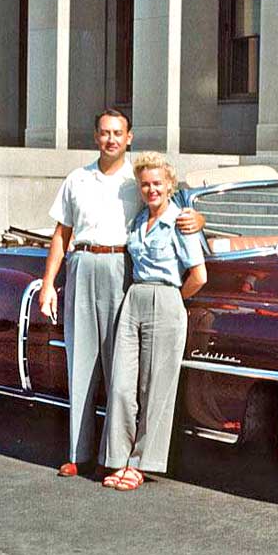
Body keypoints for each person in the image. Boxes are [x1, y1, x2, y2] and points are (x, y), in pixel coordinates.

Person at [39, 109, 203, 479]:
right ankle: (77, 453)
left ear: (129, 137)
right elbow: (61, 234)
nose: (111, 139)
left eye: (118, 133)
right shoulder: (77, 179)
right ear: (95, 137)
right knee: (80, 361)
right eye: (104, 132)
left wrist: (200, 220)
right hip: (82, 265)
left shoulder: (139, 179)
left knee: (122, 372)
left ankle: (116, 457)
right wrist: (49, 283)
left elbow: (178, 208)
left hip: (122, 270)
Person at [100, 152, 206, 491]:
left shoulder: (182, 222)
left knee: (154, 388)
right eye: (145, 184)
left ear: (170, 185)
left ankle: (141, 464)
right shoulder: (137, 220)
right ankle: (117, 458)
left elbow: (198, 275)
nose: (151, 189)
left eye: (157, 183)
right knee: (120, 384)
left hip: (166, 298)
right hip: (134, 299)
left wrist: (174, 300)